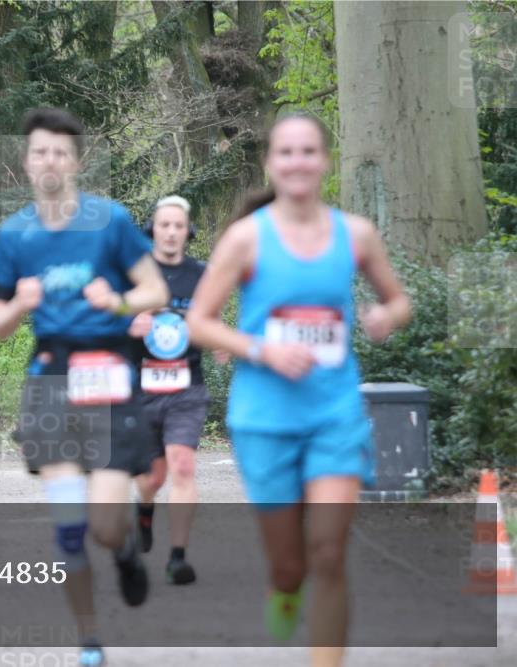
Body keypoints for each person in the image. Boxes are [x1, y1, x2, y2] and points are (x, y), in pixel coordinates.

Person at [186, 112, 411, 667]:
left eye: (308, 151)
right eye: (286, 152)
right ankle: (284, 587)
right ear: (271, 163)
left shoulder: (355, 234)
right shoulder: (246, 238)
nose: (297, 162)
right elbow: (198, 321)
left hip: (334, 415)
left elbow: (400, 300)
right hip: (264, 419)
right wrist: (262, 349)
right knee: (291, 565)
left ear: (325, 161)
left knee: (329, 552)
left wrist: (385, 316)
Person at [0, 107, 169, 667]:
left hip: (110, 375)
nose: (50, 160)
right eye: (40, 150)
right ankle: (89, 640)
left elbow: (155, 292)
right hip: (51, 380)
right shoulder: (14, 233)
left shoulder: (109, 221)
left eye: (61, 152)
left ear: (77, 161)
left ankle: (125, 555)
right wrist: (17, 303)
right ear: (25, 160)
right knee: (69, 529)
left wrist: (114, 301)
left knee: (105, 525)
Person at [128, 195, 208, 585]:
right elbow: (108, 322)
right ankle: (143, 512)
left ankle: (177, 556)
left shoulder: (202, 275)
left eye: (179, 226)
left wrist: (220, 341)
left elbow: (212, 323)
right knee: (151, 479)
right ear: (153, 230)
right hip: (141, 388)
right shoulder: (135, 275)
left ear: (188, 231)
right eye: (165, 225)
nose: (172, 232)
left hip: (186, 387)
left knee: (182, 465)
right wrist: (129, 326)